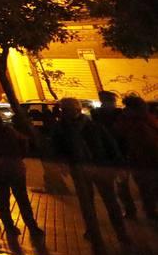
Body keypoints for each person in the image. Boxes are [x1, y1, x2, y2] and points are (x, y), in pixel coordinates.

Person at [51, 97, 130, 243]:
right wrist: (61, 163)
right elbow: (57, 149)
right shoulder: (61, 129)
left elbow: (110, 146)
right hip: (80, 170)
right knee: (87, 203)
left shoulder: (93, 126)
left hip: (99, 167)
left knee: (110, 201)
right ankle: (94, 231)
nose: (65, 113)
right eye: (63, 110)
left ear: (77, 110)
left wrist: (119, 165)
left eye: (67, 109)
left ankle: (121, 232)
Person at [0, 105, 45, 239]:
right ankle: (10, 226)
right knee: (4, 197)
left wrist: (21, 155)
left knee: (21, 198)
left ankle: (31, 226)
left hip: (13, 167)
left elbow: (23, 140)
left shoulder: (7, 129)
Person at [112, 94, 158, 221]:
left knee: (138, 188)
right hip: (139, 160)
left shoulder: (125, 120)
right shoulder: (146, 120)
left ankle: (137, 211)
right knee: (144, 188)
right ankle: (148, 212)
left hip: (136, 160)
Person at [94, 90, 138, 219]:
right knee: (114, 187)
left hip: (118, 155)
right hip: (108, 156)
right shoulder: (99, 115)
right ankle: (124, 211)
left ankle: (127, 211)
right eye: (109, 101)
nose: (111, 103)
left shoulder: (119, 115)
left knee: (120, 186)